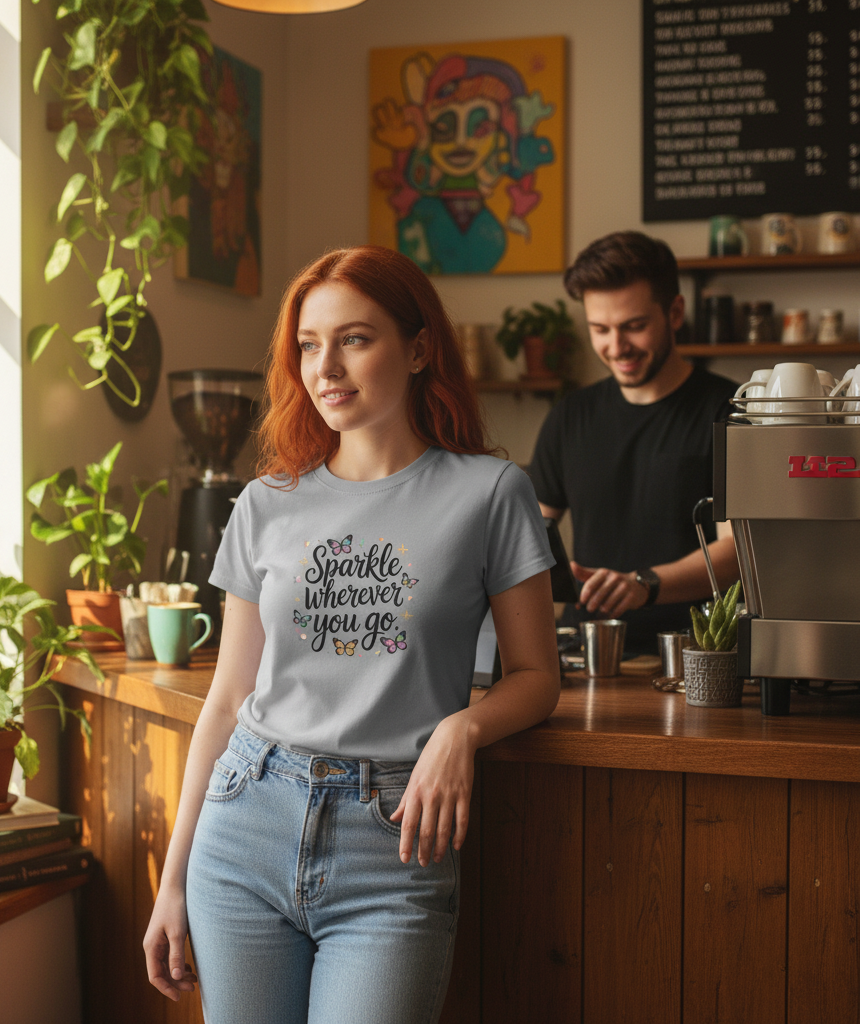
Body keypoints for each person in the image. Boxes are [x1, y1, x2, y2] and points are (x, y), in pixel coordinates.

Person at [142, 245, 561, 1024]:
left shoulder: (491, 493)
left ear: (419, 347)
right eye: (308, 344)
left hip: (393, 842)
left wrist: (462, 728)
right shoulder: (266, 501)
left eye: (355, 339)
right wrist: (172, 881)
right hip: (245, 823)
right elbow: (228, 698)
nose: (325, 366)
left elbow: (538, 674)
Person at [527, 231, 740, 653]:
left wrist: (644, 585)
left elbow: (736, 551)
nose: (616, 347)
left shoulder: (729, 410)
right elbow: (527, 533)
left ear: (675, 312)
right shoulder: (569, 416)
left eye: (634, 326)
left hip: (696, 656)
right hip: (584, 652)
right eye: (600, 329)